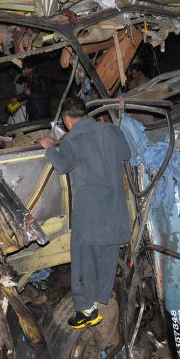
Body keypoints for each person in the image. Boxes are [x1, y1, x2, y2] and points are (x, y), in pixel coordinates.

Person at [37, 97, 130, 328]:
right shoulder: (111, 130)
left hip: (89, 217)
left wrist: (50, 148)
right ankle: (102, 297)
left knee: (83, 263)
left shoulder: (72, 140)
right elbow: (127, 154)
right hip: (116, 212)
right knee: (106, 257)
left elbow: (62, 165)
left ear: (68, 120)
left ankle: (87, 311)